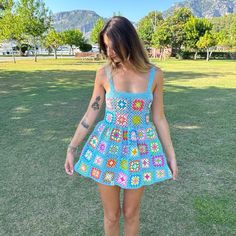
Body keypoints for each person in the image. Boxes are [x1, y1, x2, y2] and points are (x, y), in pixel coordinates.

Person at [64, 16, 178, 236]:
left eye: (113, 46)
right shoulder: (103, 74)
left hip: (139, 150)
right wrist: (72, 148)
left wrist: (171, 155)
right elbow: (92, 112)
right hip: (108, 148)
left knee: (131, 213)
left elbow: (160, 118)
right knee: (112, 215)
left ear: (129, 41)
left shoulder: (156, 75)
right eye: (106, 46)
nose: (110, 52)